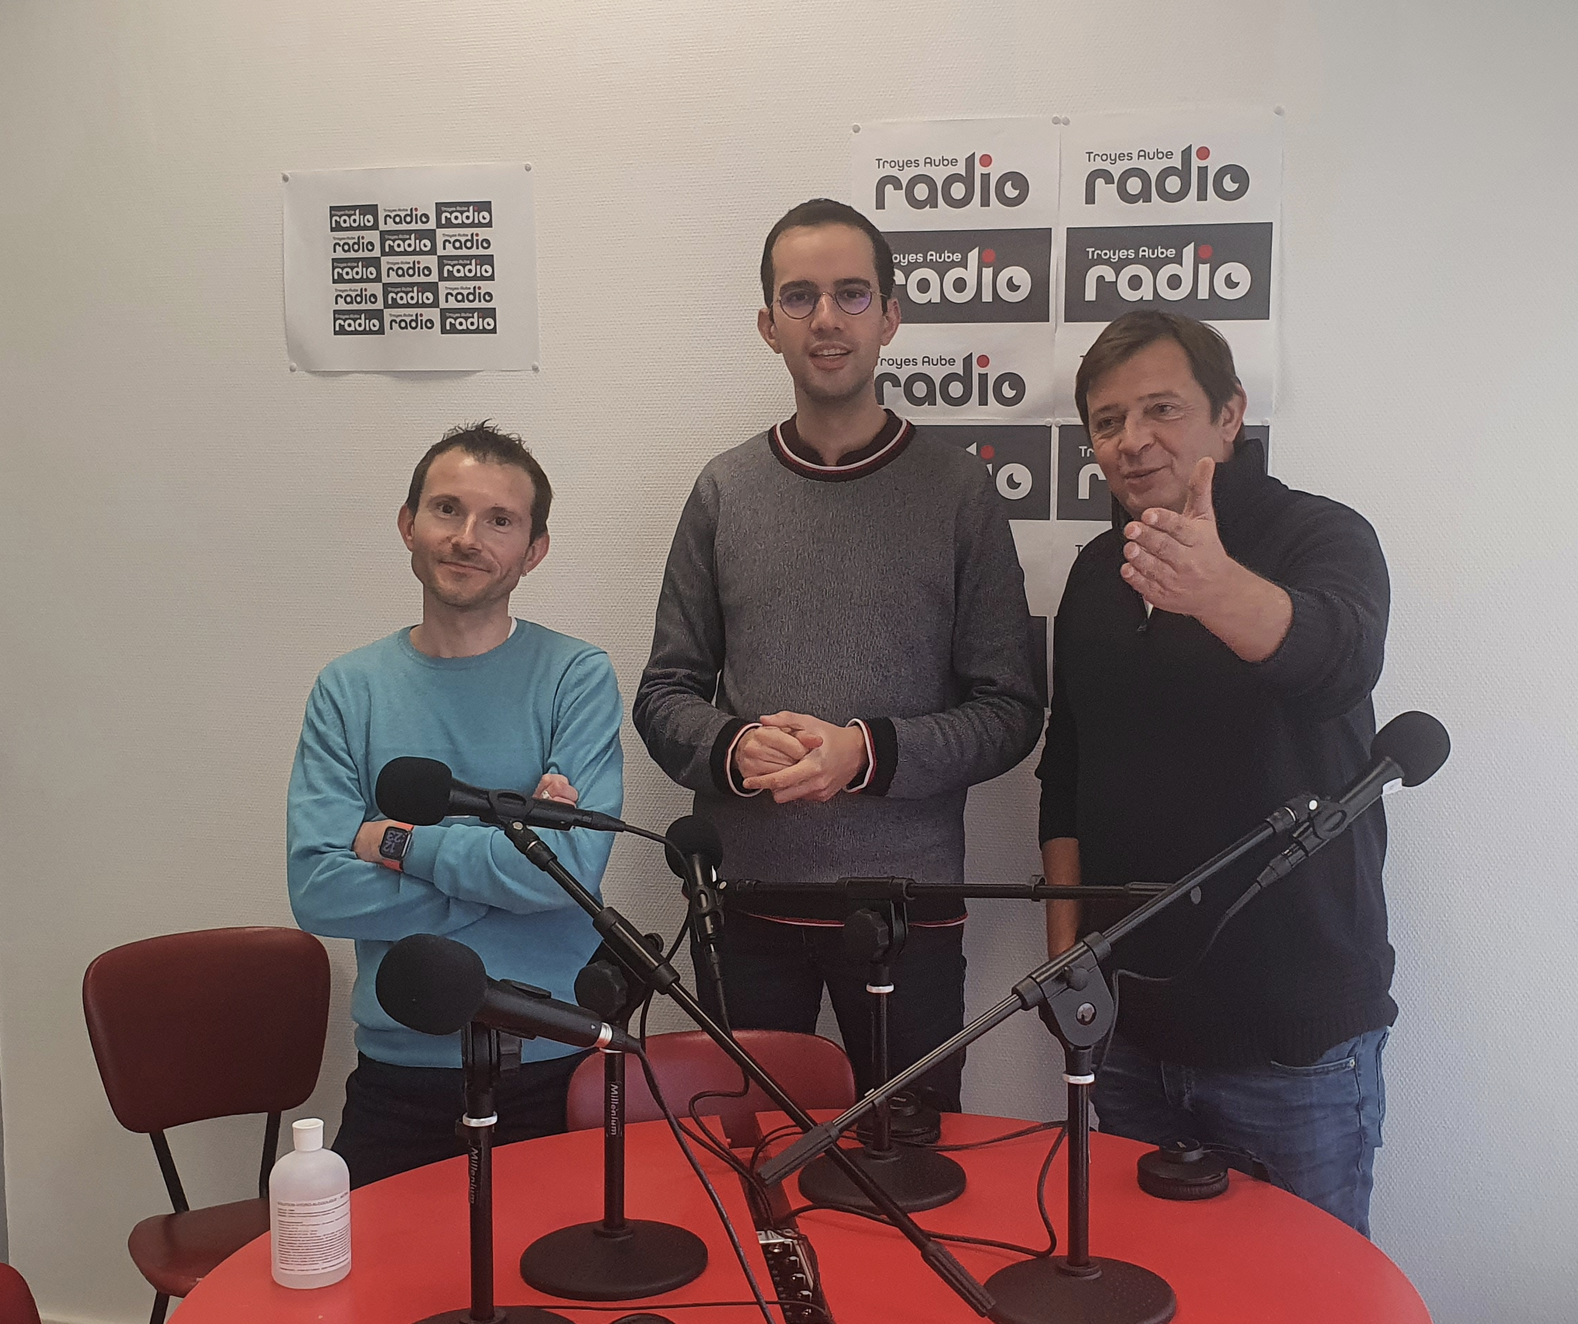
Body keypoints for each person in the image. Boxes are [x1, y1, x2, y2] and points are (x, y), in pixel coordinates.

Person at [634, 198, 1043, 1110]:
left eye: (852, 294)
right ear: (767, 324)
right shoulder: (724, 490)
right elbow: (664, 694)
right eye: (800, 296)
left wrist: (867, 752)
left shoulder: (958, 492)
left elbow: (1011, 709)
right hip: (743, 906)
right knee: (748, 1159)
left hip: (905, 908)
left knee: (912, 1157)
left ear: (890, 317)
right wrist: (732, 747)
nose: (826, 318)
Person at [1038, 310, 1393, 1234]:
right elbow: (1065, 767)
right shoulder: (1094, 574)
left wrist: (1214, 588)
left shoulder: (1322, 534)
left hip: (1291, 1043)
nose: (1132, 439)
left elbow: (1340, 660)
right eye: (1108, 421)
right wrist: (1066, 953)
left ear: (1229, 414)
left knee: (1307, 1294)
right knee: (1144, 1282)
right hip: (1129, 1034)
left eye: (1162, 408)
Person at [287, 422, 622, 1187]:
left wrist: (395, 841)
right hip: (400, 1073)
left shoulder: (575, 677)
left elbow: (568, 872)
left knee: (562, 1267)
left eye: (500, 520)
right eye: (447, 509)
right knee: (371, 1267)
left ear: (534, 550)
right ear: (408, 524)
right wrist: (511, 861)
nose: (468, 537)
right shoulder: (348, 690)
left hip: (553, 1067)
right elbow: (318, 889)